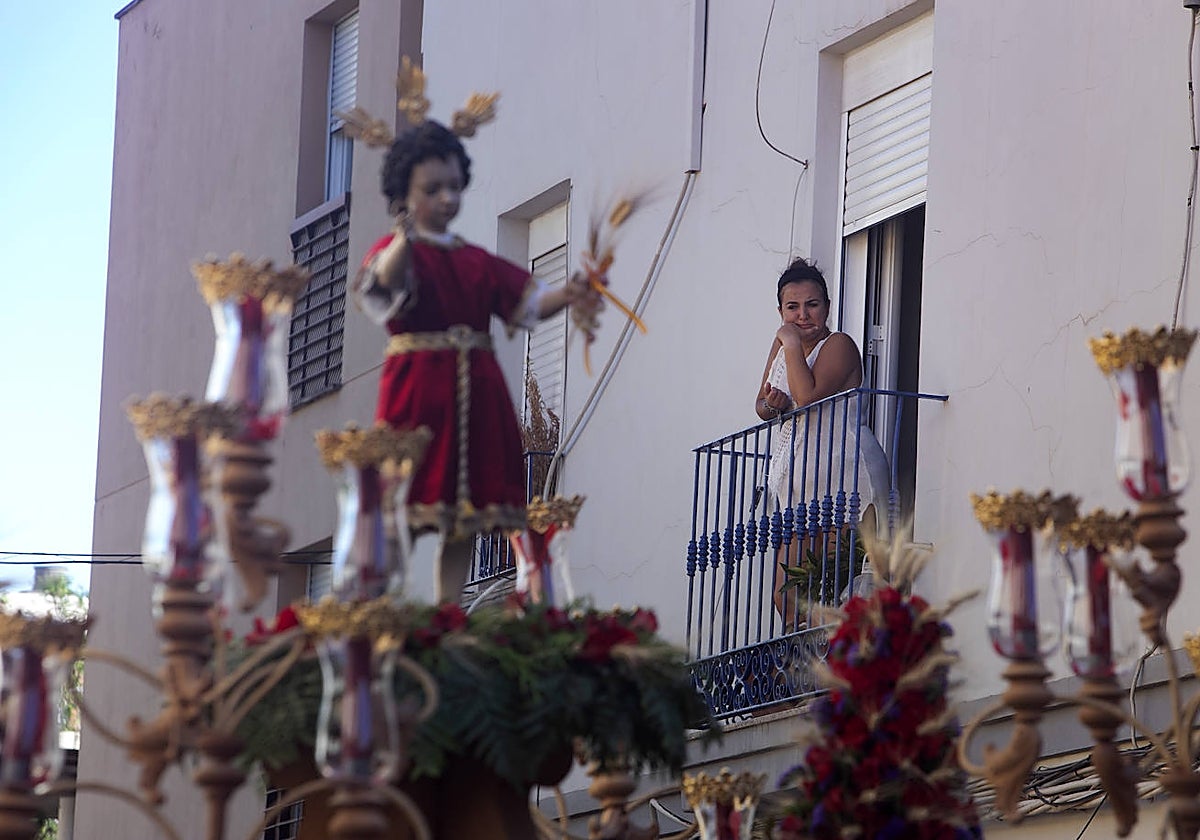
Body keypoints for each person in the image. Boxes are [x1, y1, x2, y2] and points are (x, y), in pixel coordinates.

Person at [354, 120, 602, 603]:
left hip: (477, 392)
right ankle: (385, 604)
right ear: (405, 192)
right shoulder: (397, 250)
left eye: (453, 186)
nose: (447, 198)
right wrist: (404, 237)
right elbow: (382, 283)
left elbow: (528, 301)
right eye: (433, 189)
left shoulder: (474, 260)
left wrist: (571, 292)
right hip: (418, 390)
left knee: (463, 513)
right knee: (403, 499)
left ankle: (447, 609)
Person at [755, 257, 889, 623]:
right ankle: (806, 665)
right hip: (802, 481)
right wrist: (774, 403)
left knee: (836, 586)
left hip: (843, 473)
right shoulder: (787, 345)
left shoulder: (838, 344)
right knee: (788, 595)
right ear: (781, 310)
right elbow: (761, 405)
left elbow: (809, 395)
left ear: (827, 307)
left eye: (812, 305)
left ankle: (833, 666)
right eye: (792, 307)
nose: (802, 315)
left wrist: (790, 343)